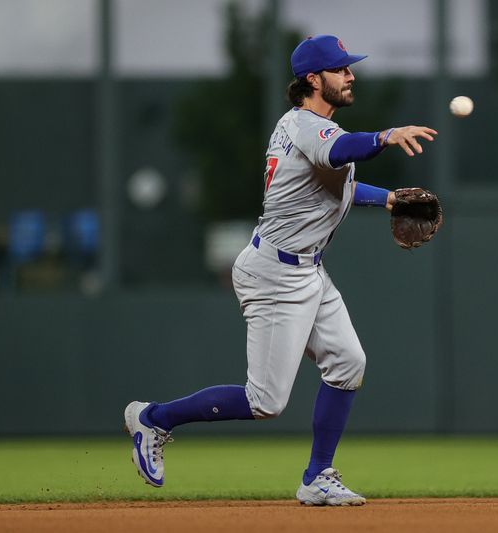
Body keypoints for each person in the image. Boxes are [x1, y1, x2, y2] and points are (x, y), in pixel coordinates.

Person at [124, 34, 437, 506]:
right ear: (314, 79)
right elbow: (341, 152)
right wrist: (384, 137)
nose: (350, 75)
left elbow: (340, 183)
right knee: (264, 401)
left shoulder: (315, 127)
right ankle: (154, 418)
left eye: (349, 67)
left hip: (309, 270)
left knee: (349, 363)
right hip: (274, 274)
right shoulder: (310, 128)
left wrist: (390, 198)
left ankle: (317, 476)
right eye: (340, 69)